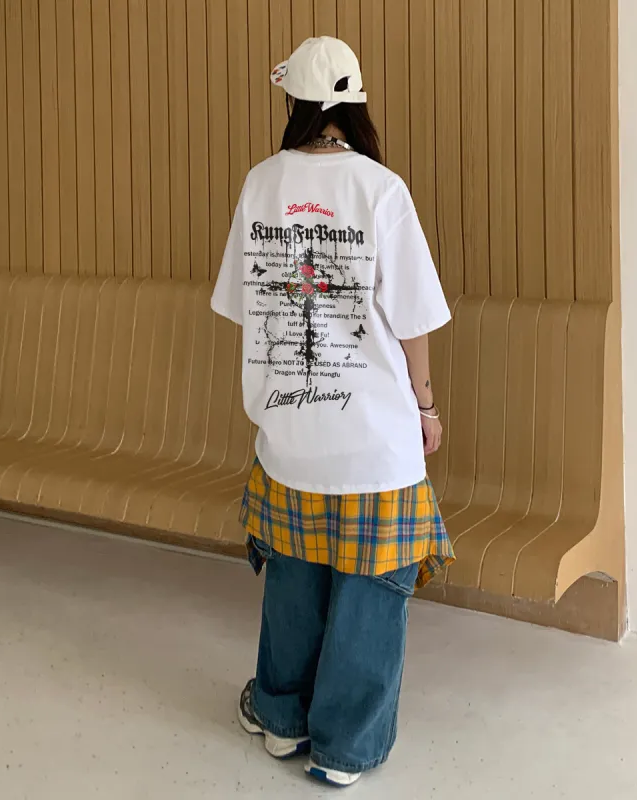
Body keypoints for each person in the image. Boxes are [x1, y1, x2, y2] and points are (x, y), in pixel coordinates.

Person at [211, 36, 454, 788]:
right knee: (369, 590)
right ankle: (344, 750)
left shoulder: (261, 183)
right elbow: (412, 319)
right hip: (373, 436)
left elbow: (243, 305)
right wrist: (425, 405)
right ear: (356, 105)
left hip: (288, 431)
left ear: (294, 103)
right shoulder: (382, 189)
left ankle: (280, 720)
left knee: (293, 581)